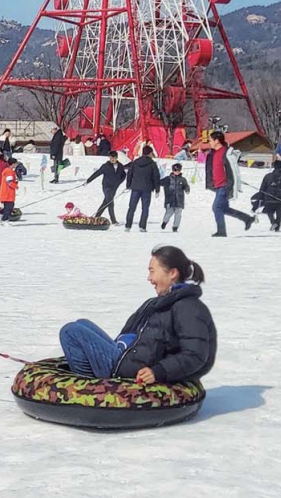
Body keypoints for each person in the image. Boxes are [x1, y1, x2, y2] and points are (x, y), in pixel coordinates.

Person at [58, 246, 216, 384]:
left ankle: (90, 388)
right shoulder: (162, 302)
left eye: (152, 271)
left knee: (70, 331)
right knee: (82, 323)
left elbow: (195, 354)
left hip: (132, 369)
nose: (149, 278)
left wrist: (158, 371)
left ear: (172, 273)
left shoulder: (187, 307)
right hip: (126, 356)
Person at [205, 130, 254, 237]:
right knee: (224, 209)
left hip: (224, 185)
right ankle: (247, 218)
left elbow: (232, 168)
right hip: (217, 185)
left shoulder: (226, 152)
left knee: (216, 208)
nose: (209, 142)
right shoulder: (213, 153)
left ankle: (221, 231)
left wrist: (231, 182)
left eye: (211, 140)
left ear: (217, 141)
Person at [124, 145, 160, 232]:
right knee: (145, 208)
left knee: (131, 207)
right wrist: (157, 189)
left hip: (135, 187)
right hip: (147, 189)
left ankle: (128, 226)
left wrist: (128, 185)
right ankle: (142, 226)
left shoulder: (135, 162)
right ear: (150, 153)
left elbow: (129, 174)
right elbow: (156, 177)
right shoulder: (152, 164)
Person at [86, 151, 125, 222]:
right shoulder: (105, 166)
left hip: (114, 187)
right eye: (111, 158)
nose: (112, 159)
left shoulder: (120, 166)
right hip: (106, 187)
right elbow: (97, 173)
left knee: (106, 202)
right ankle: (113, 220)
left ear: (116, 158)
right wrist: (88, 180)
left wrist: (119, 182)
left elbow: (123, 175)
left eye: (114, 158)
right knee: (110, 202)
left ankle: (97, 216)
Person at [160, 162, 191, 232]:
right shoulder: (168, 179)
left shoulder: (182, 179)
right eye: (175, 170)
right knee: (169, 212)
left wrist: (187, 189)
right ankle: (165, 221)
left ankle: (175, 227)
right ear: (172, 170)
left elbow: (186, 186)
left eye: (178, 170)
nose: (177, 172)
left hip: (179, 199)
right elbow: (159, 182)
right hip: (169, 199)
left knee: (178, 214)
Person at [0, 157, 19, 223]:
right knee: (9, 207)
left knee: (8, 206)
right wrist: (15, 186)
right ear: (13, 164)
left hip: (7, 192)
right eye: (16, 163)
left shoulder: (7, 170)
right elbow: (9, 182)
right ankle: (4, 220)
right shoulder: (9, 171)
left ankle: (0, 214)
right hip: (8, 192)